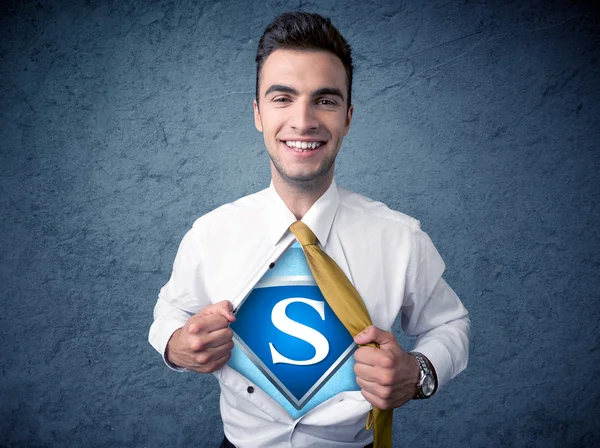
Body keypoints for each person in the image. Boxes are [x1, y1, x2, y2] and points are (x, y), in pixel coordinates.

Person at [149, 11, 470, 448]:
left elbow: (451, 324)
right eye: (283, 98)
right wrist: (176, 345)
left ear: (348, 117)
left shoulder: (401, 238)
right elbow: (169, 311)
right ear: (258, 113)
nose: (303, 121)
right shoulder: (210, 234)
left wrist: (420, 373)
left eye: (325, 100)